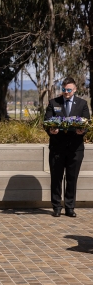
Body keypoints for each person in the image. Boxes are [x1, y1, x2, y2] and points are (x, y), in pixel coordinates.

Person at [44, 77, 90, 217]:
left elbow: (86, 123)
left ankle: (70, 207)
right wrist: (50, 130)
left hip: (75, 148)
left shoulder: (82, 104)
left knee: (72, 178)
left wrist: (83, 130)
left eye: (69, 90)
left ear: (75, 90)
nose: (66, 92)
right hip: (57, 147)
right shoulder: (53, 103)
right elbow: (46, 121)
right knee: (56, 178)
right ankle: (56, 206)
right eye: (64, 89)